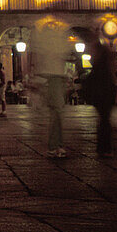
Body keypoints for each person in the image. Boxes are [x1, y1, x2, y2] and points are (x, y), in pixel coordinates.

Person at [31, 22, 71, 158]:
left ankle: (57, 144)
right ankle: (54, 146)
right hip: (52, 77)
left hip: (57, 78)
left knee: (57, 112)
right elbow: (40, 59)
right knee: (57, 112)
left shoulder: (52, 36)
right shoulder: (47, 36)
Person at [86, 38, 117, 158]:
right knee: (105, 119)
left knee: (104, 119)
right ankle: (104, 147)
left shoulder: (99, 64)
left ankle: (104, 147)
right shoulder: (105, 63)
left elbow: (96, 77)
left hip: (103, 91)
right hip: (107, 90)